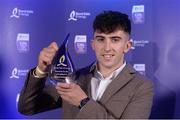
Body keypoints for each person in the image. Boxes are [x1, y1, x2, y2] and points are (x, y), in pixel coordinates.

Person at [18, 10, 154, 119]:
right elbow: (27, 108)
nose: (107, 48)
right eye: (101, 39)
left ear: (127, 46)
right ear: (93, 44)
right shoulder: (73, 77)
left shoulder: (141, 86)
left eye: (115, 40)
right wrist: (41, 70)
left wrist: (83, 102)